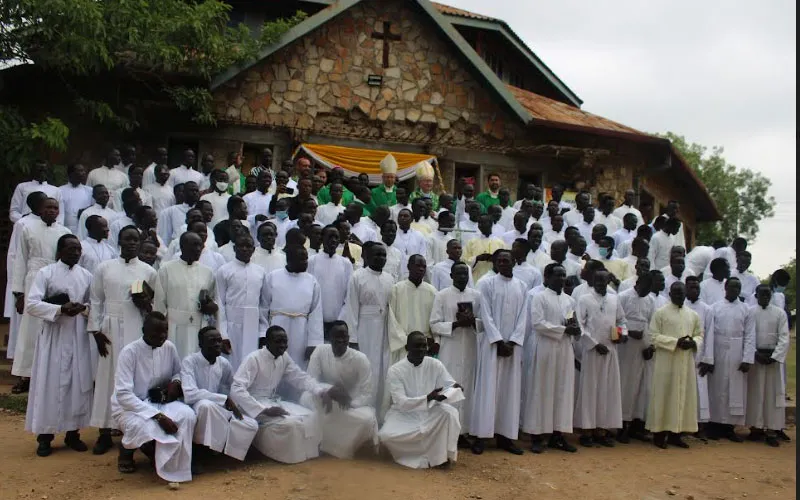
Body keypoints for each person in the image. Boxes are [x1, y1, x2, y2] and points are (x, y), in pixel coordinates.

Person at [230, 325, 346, 464]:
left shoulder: (284, 357)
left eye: (285, 342)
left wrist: (321, 391)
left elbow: (300, 377)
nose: (283, 345)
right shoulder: (253, 359)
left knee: (312, 417)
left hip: (272, 401)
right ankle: (284, 455)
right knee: (291, 424)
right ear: (267, 342)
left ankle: (306, 454)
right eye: (278, 341)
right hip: (252, 406)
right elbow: (236, 389)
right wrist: (263, 410)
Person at [87, 226, 157, 454]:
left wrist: (145, 304)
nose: (132, 243)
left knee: (133, 378)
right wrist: (96, 331)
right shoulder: (104, 267)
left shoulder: (148, 271)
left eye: (136, 239)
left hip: (136, 326)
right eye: (127, 239)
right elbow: (96, 300)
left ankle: (131, 428)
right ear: (119, 241)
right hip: (109, 328)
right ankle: (104, 432)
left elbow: (154, 305)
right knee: (107, 378)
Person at [24, 234, 93, 457]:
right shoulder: (46, 273)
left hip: (77, 335)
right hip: (54, 335)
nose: (76, 253)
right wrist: (60, 309)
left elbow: (93, 304)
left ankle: (73, 433)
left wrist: (83, 309)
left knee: (76, 384)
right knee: (50, 384)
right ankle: (45, 437)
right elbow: (32, 304)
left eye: (78, 249)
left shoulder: (86, 276)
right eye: (71, 249)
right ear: (60, 251)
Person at [111, 312, 196, 482]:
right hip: (132, 407)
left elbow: (177, 372)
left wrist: (175, 383)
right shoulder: (129, 352)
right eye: (156, 332)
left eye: (165, 331)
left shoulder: (169, 347)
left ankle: (174, 460)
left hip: (160, 401)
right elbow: (123, 395)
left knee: (188, 415)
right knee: (144, 426)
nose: (162, 336)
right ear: (144, 331)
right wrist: (158, 416)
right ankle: (127, 450)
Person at [472, 250, 528, 455]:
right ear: (495, 263)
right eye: (500, 260)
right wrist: (497, 340)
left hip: (513, 347)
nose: (504, 263)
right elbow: (485, 314)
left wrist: (512, 342)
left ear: (514, 262)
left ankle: (505, 436)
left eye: (507, 260)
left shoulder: (521, 286)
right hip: (491, 345)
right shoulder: (486, 284)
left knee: (509, 391)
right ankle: (481, 436)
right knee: (488, 389)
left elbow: (523, 317)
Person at [521, 263, 581, 453]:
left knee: (562, 390)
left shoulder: (569, 300)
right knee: (541, 390)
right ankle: (537, 436)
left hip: (564, 349)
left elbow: (571, 320)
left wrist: (575, 329)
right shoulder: (539, 297)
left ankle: (558, 435)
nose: (562, 279)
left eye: (563, 275)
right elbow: (538, 324)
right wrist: (564, 330)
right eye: (558, 275)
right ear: (546, 277)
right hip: (544, 347)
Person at [379, 331, 462, 469]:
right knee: (385, 436)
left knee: (450, 414)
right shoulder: (395, 370)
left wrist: (454, 388)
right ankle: (407, 456)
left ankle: (441, 458)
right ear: (407, 348)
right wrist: (427, 398)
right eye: (417, 346)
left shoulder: (435, 364)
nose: (422, 349)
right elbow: (401, 403)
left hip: (430, 412)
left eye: (424, 346)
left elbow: (449, 385)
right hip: (404, 414)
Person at [11, 198, 72, 385]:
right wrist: (19, 292)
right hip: (33, 277)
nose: (52, 211)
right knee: (30, 327)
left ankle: (50, 372)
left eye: (55, 208)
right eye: (48, 207)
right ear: (40, 209)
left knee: (52, 325)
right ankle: (26, 374)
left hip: (55, 279)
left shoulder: (64, 232)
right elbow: (21, 259)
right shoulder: (27, 228)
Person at [300, 322, 378, 459]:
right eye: (337, 337)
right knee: (306, 398)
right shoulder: (320, 351)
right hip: (324, 398)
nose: (341, 340)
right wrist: (328, 391)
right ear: (329, 338)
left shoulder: (360, 359)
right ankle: (320, 445)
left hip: (350, 404)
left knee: (367, 419)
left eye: (344, 337)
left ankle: (346, 449)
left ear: (348, 338)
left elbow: (368, 393)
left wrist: (350, 402)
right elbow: (310, 381)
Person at [181, 326, 258, 462]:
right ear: (201, 344)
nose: (218, 344)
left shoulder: (223, 363)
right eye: (212, 341)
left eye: (219, 340)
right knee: (206, 406)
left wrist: (241, 404)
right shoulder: (190, 361)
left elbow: (233, 387)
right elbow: (189, 394)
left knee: (251, 424)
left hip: (217, 406)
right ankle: (199, 452)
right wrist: (223, 399)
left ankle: (225, 453)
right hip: (194, 408)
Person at [646, 282, 703, 449]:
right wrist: (675, 342)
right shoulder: (660, 313)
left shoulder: (692, 315)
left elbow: (699, 335)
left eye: (682, 293)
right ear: (670, 294)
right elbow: (653, 336)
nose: (679, 296)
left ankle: (676, 434)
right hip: (666, 362)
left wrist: (693, 342)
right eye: (676, 293)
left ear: (686, 294)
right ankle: (659, 434)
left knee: (683, 396)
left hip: (685, 363)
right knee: (664, 396)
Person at [574, 270, 627, 447]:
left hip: (610, 351)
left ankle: (602, 430)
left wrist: (621, 335)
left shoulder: (614, 299)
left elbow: (621, 321)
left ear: (608, 281)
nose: (600, 283)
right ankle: (587, 431)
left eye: (603, 280)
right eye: (597, 280)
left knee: (607, 390)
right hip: (592, 351)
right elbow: (579, 325)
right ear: (592, 281)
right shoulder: (584, 299)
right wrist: (594, 344)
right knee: (590, 390)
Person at [430, 261, 481, 445]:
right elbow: (434, 324)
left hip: (470, 347)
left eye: (465, 274)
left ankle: (464, 431)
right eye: (458, 274)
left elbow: (483, 323)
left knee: (468, 388)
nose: (462, 277)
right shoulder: (442, 295)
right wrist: (456, 324)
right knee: (449, 386)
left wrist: (473, 321)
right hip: (450, 348)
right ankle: (447, 430)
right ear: (451, 276)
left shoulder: (476, 296)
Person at [340, 243, 394, 408]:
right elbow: (351, 308)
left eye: (383, 255)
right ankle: (361, 407)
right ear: (367, 257)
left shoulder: (390, 278)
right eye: (377, 255)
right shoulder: (357, 276)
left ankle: (379, 408)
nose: (381, 258)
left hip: (384, 329)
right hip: (365, 328)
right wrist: (352, 338)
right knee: (366, 366)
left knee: (382, 369)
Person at [154, 232, 218, 359]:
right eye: (194, 245)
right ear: (182, 246)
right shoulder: (166, 270)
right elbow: (159, 303)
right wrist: (160, 329)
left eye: (200, 245)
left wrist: (210, 306)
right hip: (174, 327)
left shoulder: (208, 272)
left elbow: (213, 301)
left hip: (199, 325)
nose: (198, 249)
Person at [707, 277, 755, 441]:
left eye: (738, 287)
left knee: (734, 390)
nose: (735, 290)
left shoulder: (746, 309)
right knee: (717, 388)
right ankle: (715, 426)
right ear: (725, 287)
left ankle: (729, 427)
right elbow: (709, 334)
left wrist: (747, 358)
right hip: (718, 349)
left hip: (737, 352)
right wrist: (709, 358)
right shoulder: (714, 307)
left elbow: (750, 335)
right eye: (732, 287)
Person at [263, 245, 323, 371]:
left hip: (301, 331)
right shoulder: (273, 277)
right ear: (289, 259)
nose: (305, 262)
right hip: (277, 325)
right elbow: (263, 307)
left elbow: (316, 313)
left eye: (306, 259)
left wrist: (314, 342)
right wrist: (263, 333)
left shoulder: (312, 281)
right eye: (301, 259)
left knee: (298, 366)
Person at [215, 235, 268, 372]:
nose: (245, 249)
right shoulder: (224, 270)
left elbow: (263, 305)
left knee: (251, 362)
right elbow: (219, 302)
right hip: (232, 325)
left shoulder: (260, 271)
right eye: (241, 246)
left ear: (254, 249)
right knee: (232, 361)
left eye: (248, 246)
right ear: (234, 248)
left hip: (253, 325)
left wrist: (263, 332)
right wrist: (223, 333)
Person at [746, 285, 790, 447]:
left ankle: (772, 429)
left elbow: (784, 337)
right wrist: (754, 354)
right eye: (762, 294)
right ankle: (756, 428)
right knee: (755, 393)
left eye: (767, 294)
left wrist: (775, 356)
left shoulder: (779, 313)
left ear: (771, 295)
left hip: (772, 360)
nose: (765, 297)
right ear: (756, 295)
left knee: (773, 395)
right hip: (757, 358)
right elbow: (747, 336)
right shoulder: (750, 312)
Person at [616, 273, 656, 443]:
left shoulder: (650, 300)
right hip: (626, 349)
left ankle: (636, 426)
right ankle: (621, 427)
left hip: (643, 349)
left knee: (642, 388)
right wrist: (629, 332)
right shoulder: (623, 297)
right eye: (645, 287)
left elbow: (653, 325)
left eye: (650, 289)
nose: (647, 291)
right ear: (638, 282)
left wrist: (651, 346)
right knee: (626, 387)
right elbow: (613, 324)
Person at [388, 255, 437, 366]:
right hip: (403, 345)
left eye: (424, 267)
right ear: (409, 267)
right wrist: (405, 341)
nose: (421, 269)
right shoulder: (397, 289)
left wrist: (433, 340)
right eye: (418, 266)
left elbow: (435, 319)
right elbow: (392, 320)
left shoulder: (432, 291)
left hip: (424, 345)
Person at [464, 214, 505, 282]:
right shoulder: (472, 242)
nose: (480, 225)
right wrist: (477, 258)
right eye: (479, 223)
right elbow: (465, 261)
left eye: (483, 223)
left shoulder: (500, 243)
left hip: (495, 278)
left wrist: (494, 259)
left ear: (491, 224)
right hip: (477, 277)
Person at [59, 164, 93, 234]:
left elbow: (94, 208)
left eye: (83, 171)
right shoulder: (60, 190)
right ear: (71, 174)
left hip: (84, 228)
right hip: (65, 228)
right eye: (80, 171)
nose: (84, 173)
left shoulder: (89, 190)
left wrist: (85, 210)